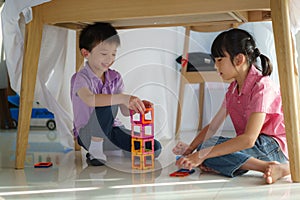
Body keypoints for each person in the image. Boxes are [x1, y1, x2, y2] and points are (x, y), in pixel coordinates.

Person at [174, 28, 290, 184]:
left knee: (207, 153)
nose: (216, 66)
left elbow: (248, 139)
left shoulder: (262, 87)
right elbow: (213, 127)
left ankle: (273, 166)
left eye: (220, 60)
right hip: (253, 146)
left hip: (273, 146)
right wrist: (191, 150)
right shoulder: (233, 89)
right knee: (206, 149)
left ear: (239, 60)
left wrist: (201, 155)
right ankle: (256, 165)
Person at [71, 22, 162, 166]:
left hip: (112, 131)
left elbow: (125, 111)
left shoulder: (115, 77)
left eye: (113, 54)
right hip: (87, 134)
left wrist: (134, 104)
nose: (109, 59)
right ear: (86, 53)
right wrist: (122, 98)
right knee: (109, 103)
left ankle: (114, 148)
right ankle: (95, 150)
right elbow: (89, 99)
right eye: (104, 54)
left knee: (154, 149)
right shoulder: (80, 78)